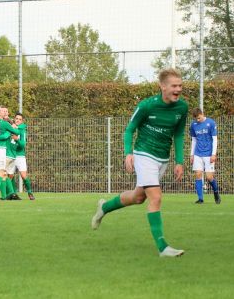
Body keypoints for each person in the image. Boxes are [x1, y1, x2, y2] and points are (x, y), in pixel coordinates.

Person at [91, 68, 188, 257]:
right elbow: (129, 130)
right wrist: (128, 153)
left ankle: (104, 208)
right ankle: (163, 248)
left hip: (162, 158)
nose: (178, 89)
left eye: (180, 85)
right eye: (174, 86)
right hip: (144, 155)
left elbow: (178, 134)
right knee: (156, 197)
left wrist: (179, 161)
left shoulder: (182, 108)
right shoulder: (146, 106)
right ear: (162, 86)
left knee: (138, 197)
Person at [189, 108, 220, 204]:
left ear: (202, 114)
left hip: (208, 154)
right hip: (198, 153)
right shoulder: (193, 125)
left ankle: (216, 192)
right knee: (198, 174)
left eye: (198, 118)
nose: (197, 120)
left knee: (209, 177)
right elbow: (194, 140)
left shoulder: (211, 123)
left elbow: (214, 139)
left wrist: (213, 154)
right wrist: (192, 154)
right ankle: (200, 199)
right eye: (196, 119)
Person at [13, 113, 35, 200]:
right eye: (16, 118)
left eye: (19, 119)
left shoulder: (22, 130)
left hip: (20, 156)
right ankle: (13, 194)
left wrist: (17, 139)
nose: (17, 120)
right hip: (11, 155)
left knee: (23, 176)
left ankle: (29, 192)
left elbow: (23, 145)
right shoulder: (11, 128)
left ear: (22, 121)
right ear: (14, 119)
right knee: (9, 176)